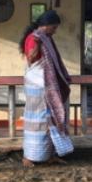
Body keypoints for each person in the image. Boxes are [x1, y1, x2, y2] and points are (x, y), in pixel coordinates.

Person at [19, 10, 73, 167]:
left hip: (47, 85)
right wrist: (38, 44)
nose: (55, 31)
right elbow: (31, 58)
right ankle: (28, 157)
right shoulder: (34, 38)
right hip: (37, 86)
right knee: (37, 122)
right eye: (54, 27)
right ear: (46, 25)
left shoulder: (46, 38)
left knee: (51, 120)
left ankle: (49, 155)